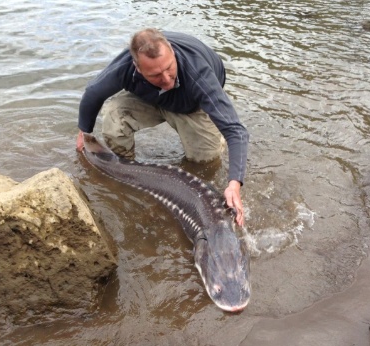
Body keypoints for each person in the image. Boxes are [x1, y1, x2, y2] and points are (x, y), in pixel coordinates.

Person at [76, 28, 249, 226]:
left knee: (205, 160)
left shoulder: (198, 73)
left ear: (173, 53)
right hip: (149, 98)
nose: (166, 79)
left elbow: (236, 131)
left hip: (190, 103)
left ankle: (206, 137)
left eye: (169, 68)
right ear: (137, 68)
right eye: (156, 74)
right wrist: (84, 131)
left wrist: (234, 184)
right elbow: (93, 93)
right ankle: (128, 171)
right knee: (114, 116)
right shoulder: (124, 67)